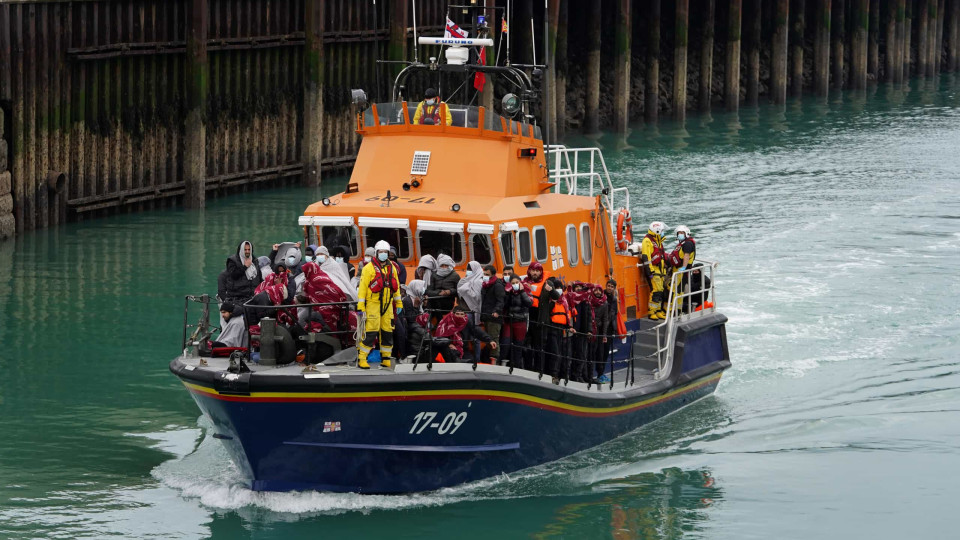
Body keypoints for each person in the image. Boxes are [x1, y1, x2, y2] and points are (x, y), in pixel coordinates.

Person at [356, 240, 403, 369]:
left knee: (387, 331)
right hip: (373, 304)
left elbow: (396, 286)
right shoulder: (368, 268)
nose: (383, 254)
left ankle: (386, 358)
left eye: (385, 252)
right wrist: (361, 306)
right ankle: (362, 358)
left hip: (388, 304)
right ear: (376, 253)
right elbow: (363, 289)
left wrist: (398, 303)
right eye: (381, 252)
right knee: (371, 331)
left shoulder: (392, 267)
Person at [428, 304, 497, 363]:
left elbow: (477, 330)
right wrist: (448, 344)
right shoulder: (446, 321)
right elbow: (439, 337)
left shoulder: (466, 321)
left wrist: (489, 340)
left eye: (462, 314)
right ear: (453, 314)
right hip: (446, 348)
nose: (460, 316)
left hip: (463, 349)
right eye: (457, 314)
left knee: (471, 361)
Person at [541, 277, 572, 384]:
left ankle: (558, 374)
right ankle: (553, 375)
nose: (559, 290)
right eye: (557, 288)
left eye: (560, 288)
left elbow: (567, 315)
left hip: (561, 330)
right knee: (555, 353)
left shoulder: (564, 301)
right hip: (552, 328)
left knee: (560, 354)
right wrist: (553, 302)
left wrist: (569, 327)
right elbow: (546, 313)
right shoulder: (549, 300)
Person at [522, 261, 551, 370]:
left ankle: (540, 370)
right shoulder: (523, 283)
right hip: (527, 319)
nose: (535, 273)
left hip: (540, 321)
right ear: (529, 271)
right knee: (526, 346)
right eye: (533, 270)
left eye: (537, 271)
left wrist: (550, 290)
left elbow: (556, 296)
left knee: (539, 348)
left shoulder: (547, 284)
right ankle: (527, 368)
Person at [501, 274, 532, 369]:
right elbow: (504, 305)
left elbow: (529, 303)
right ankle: (502, 364)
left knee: (518, 347)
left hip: (520, 321)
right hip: (509, 321)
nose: (515, 284)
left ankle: (517, 367)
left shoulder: (526, 290)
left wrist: (522, 291)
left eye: (517, 282)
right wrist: (507, 293)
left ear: (520, 282)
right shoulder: (509, 292)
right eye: (513, 283)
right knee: (505, 343)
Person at [456, 261, 485, 361]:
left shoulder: (479, 282)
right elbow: (459, 296)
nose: (468, 271)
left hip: (473, 313)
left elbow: (477, 297)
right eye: (468, 269)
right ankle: (463, 357)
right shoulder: (463, 281)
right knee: (463, 336)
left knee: (475, 338)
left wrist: (467, 290)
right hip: (463, 312)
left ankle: (477, 359)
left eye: (471, 269)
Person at [640, 221, 668, 320]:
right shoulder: (647, 241)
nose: (663, 232)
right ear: (657, 230)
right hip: (654, 270)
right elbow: (646, 257)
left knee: (661, 291)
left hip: (660, 271)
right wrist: (650, 272)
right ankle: (652, 311)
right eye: (662, 231)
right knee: (656, 291)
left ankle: (658, 311)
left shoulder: (657, 240)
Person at [479, 265, 505, 365]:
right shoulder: (486, 284)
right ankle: (489, 360)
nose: (485, 276)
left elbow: (500, 300)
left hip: (494, 318)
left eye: (487, 274)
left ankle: (494, 361)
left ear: (493, 275)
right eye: (484, 274)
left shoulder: (497, 285)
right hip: (486, 316)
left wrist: (496, 311)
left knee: (494, 339)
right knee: (488, 339)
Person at [668, 225, 697, 313]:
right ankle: (676, 309)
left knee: (677, 290)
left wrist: (684, 267)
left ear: (686, 234)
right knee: (677, 290)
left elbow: (686, 256)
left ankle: (674, 310)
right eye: (679, 233)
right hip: (678, 269)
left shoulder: (687, 244)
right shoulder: (683, 243)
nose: (680, 235)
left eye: (682, 233)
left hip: (681, 270)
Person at [403, 280, 428, 359]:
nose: (423, 289)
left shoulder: (419, 298)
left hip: (418, 323)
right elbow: (411, 318)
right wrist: (415, 306)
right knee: (422, 332)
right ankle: (430, 340)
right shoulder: (407, 300)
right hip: (410, 324)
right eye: (421, 287)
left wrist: (424, 305)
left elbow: (422, 313)